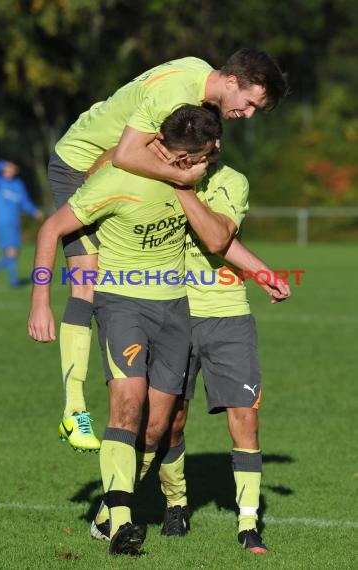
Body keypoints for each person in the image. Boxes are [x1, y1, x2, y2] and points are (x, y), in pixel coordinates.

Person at [49, 47, 288, 451]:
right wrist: (186, 178)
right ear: (231, 81)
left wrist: (263, 274)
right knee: (86, 285)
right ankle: (74, 411)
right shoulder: (178, 94)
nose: (247, 115)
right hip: (79, 166)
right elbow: (126, 155)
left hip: (107, 166)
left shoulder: (197, 77)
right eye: (249, 104)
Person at [28, 105, 224, 555]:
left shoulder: (206, 180)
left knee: (156, 429)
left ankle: (105, 511)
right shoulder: (119, 180)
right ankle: (121, 524)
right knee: (127, 404)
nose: (186, 168)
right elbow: (52, 228)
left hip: (175, 308)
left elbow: (222, 238)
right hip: (121, 303)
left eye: (195, 161)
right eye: (179, 160)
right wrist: (40, 299)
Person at [89, 127, 290, 554]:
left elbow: (220, 237)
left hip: (226, 314)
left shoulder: (230, 181)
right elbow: (105, 173)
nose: (210, 147)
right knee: (165, 424)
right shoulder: (154, 173)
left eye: (214, 139)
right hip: (173, 310)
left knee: (245, 416)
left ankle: (249, 524)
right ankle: (163, 504)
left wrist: (261, 271)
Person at [0, 160, 43, 288]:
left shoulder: (18, 184)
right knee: (12, 252)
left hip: (15, 222)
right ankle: (14, 281)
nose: (10, 171)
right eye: (8, 168)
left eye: (12, 169)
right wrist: (1, 164)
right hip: (3, 222)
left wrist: (34, 211)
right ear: (4, 169)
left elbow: (24, 202)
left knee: (14, 252)